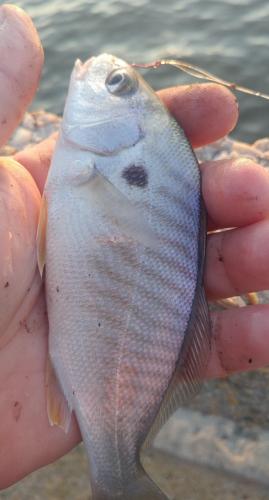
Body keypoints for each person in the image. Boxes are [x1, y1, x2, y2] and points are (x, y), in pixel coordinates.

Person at [1, 3, 269, 490]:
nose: (102, 75)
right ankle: (117, 467)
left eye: (117, 85)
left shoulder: (89, 163)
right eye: (120, 83)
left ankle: (116, 467)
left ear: (133, 135)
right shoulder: (95, 162)